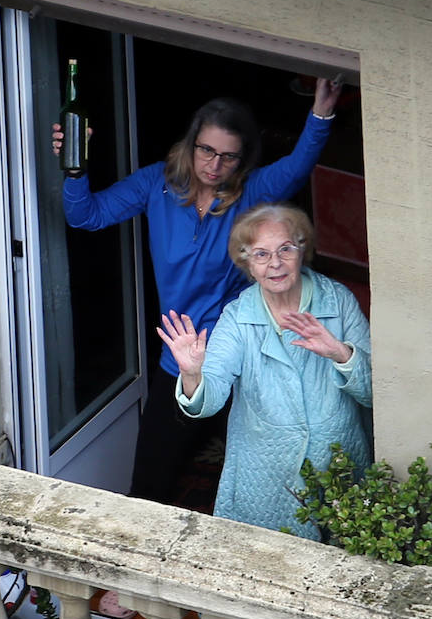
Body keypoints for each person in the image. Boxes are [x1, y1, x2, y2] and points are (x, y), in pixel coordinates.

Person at [56, 78, 343, 506]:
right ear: (191, 145)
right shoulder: (157, 184)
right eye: (206, 150)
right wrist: (74, 168)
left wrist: (321, 112)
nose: (214, 164)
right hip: (181, 348)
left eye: (228, 156)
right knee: (151, 480)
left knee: (260, 473)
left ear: (242, 160)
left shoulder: (251, 192)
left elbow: (298, 165)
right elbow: (87, 216)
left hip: (241, 349)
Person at [157, 203, 372, 539]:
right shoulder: (237, 317)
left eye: (285, 249)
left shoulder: (338, 302)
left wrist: (341, 353)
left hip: (340, 466)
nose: (275, 263)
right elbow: (208, 401)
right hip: (267, 478)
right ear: (247, 263)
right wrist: (192, 374)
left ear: (303, 249)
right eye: (261, 254)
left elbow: (375, 393)